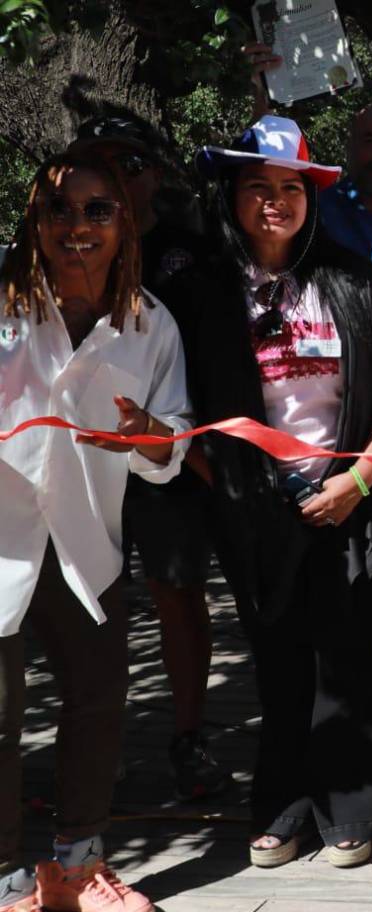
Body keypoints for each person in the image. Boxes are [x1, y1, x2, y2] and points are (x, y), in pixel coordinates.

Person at [180, 115, 372, 869]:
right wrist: (237, 490)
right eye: (258, 187)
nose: (275, 202)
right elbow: (179, 402)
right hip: (252, 508)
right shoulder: (199, 293)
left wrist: (357, 479)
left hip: (350, 498)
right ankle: (282, 808)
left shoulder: (352, 281)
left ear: (313, 197)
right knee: (278, 659)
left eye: (291, 188)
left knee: (347, 657)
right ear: (233, 195)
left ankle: (350, 807)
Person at [0, 150, 191, 912]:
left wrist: (148, 437)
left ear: (125, 224)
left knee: (96, 703)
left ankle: (76, 869)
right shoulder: (4, 304)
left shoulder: (150, 324)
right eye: (58, 211)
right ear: (34, 224)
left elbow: (171, 451)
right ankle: (9, 882)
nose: (77, 227)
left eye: (97, 211)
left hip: (87, 543)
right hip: (1, 539)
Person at [244, 41, 372, 735]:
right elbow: (267, 173)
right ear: (350, 145)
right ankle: (347, 747)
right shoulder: (320, 210)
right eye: (370, 140)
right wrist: (261, 94)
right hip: (331, 451)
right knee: (345, 608)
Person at [69, 114, 229, 800]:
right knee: (87, 600)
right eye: (101, 167)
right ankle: (94, 745)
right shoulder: (58, 247)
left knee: (177, 594)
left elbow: (212, 359)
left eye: (130, 166)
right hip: (78, 456)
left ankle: (189, 736)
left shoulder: (187, 255)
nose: (118, 180)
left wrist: (196, 452)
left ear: (155, 175)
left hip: (168, 448)